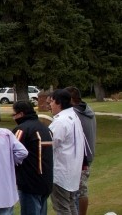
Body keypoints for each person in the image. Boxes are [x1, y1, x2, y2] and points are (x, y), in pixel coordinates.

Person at [11, 101, 54, 215]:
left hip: (30, 182)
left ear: (20, 114)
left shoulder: (21, 130)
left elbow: (11, 152)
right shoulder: (46, 128)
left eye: (14, 114)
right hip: (46, 179)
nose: (13, 117)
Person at [48, 89, 86, 215]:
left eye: (52, 101)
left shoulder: (61, 121)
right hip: (72, 171)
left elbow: (50, 143)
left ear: (59, 102)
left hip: (61, 172)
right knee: (70, 204)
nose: (50, 104)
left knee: (62, 208)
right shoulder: (74, 116)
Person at [67, 86, 95, 215]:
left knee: (80, 191)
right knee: (81, 190)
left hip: (80, 158)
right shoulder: (88, 110)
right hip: (87, 155)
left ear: (71, 99)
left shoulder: (74, 114)